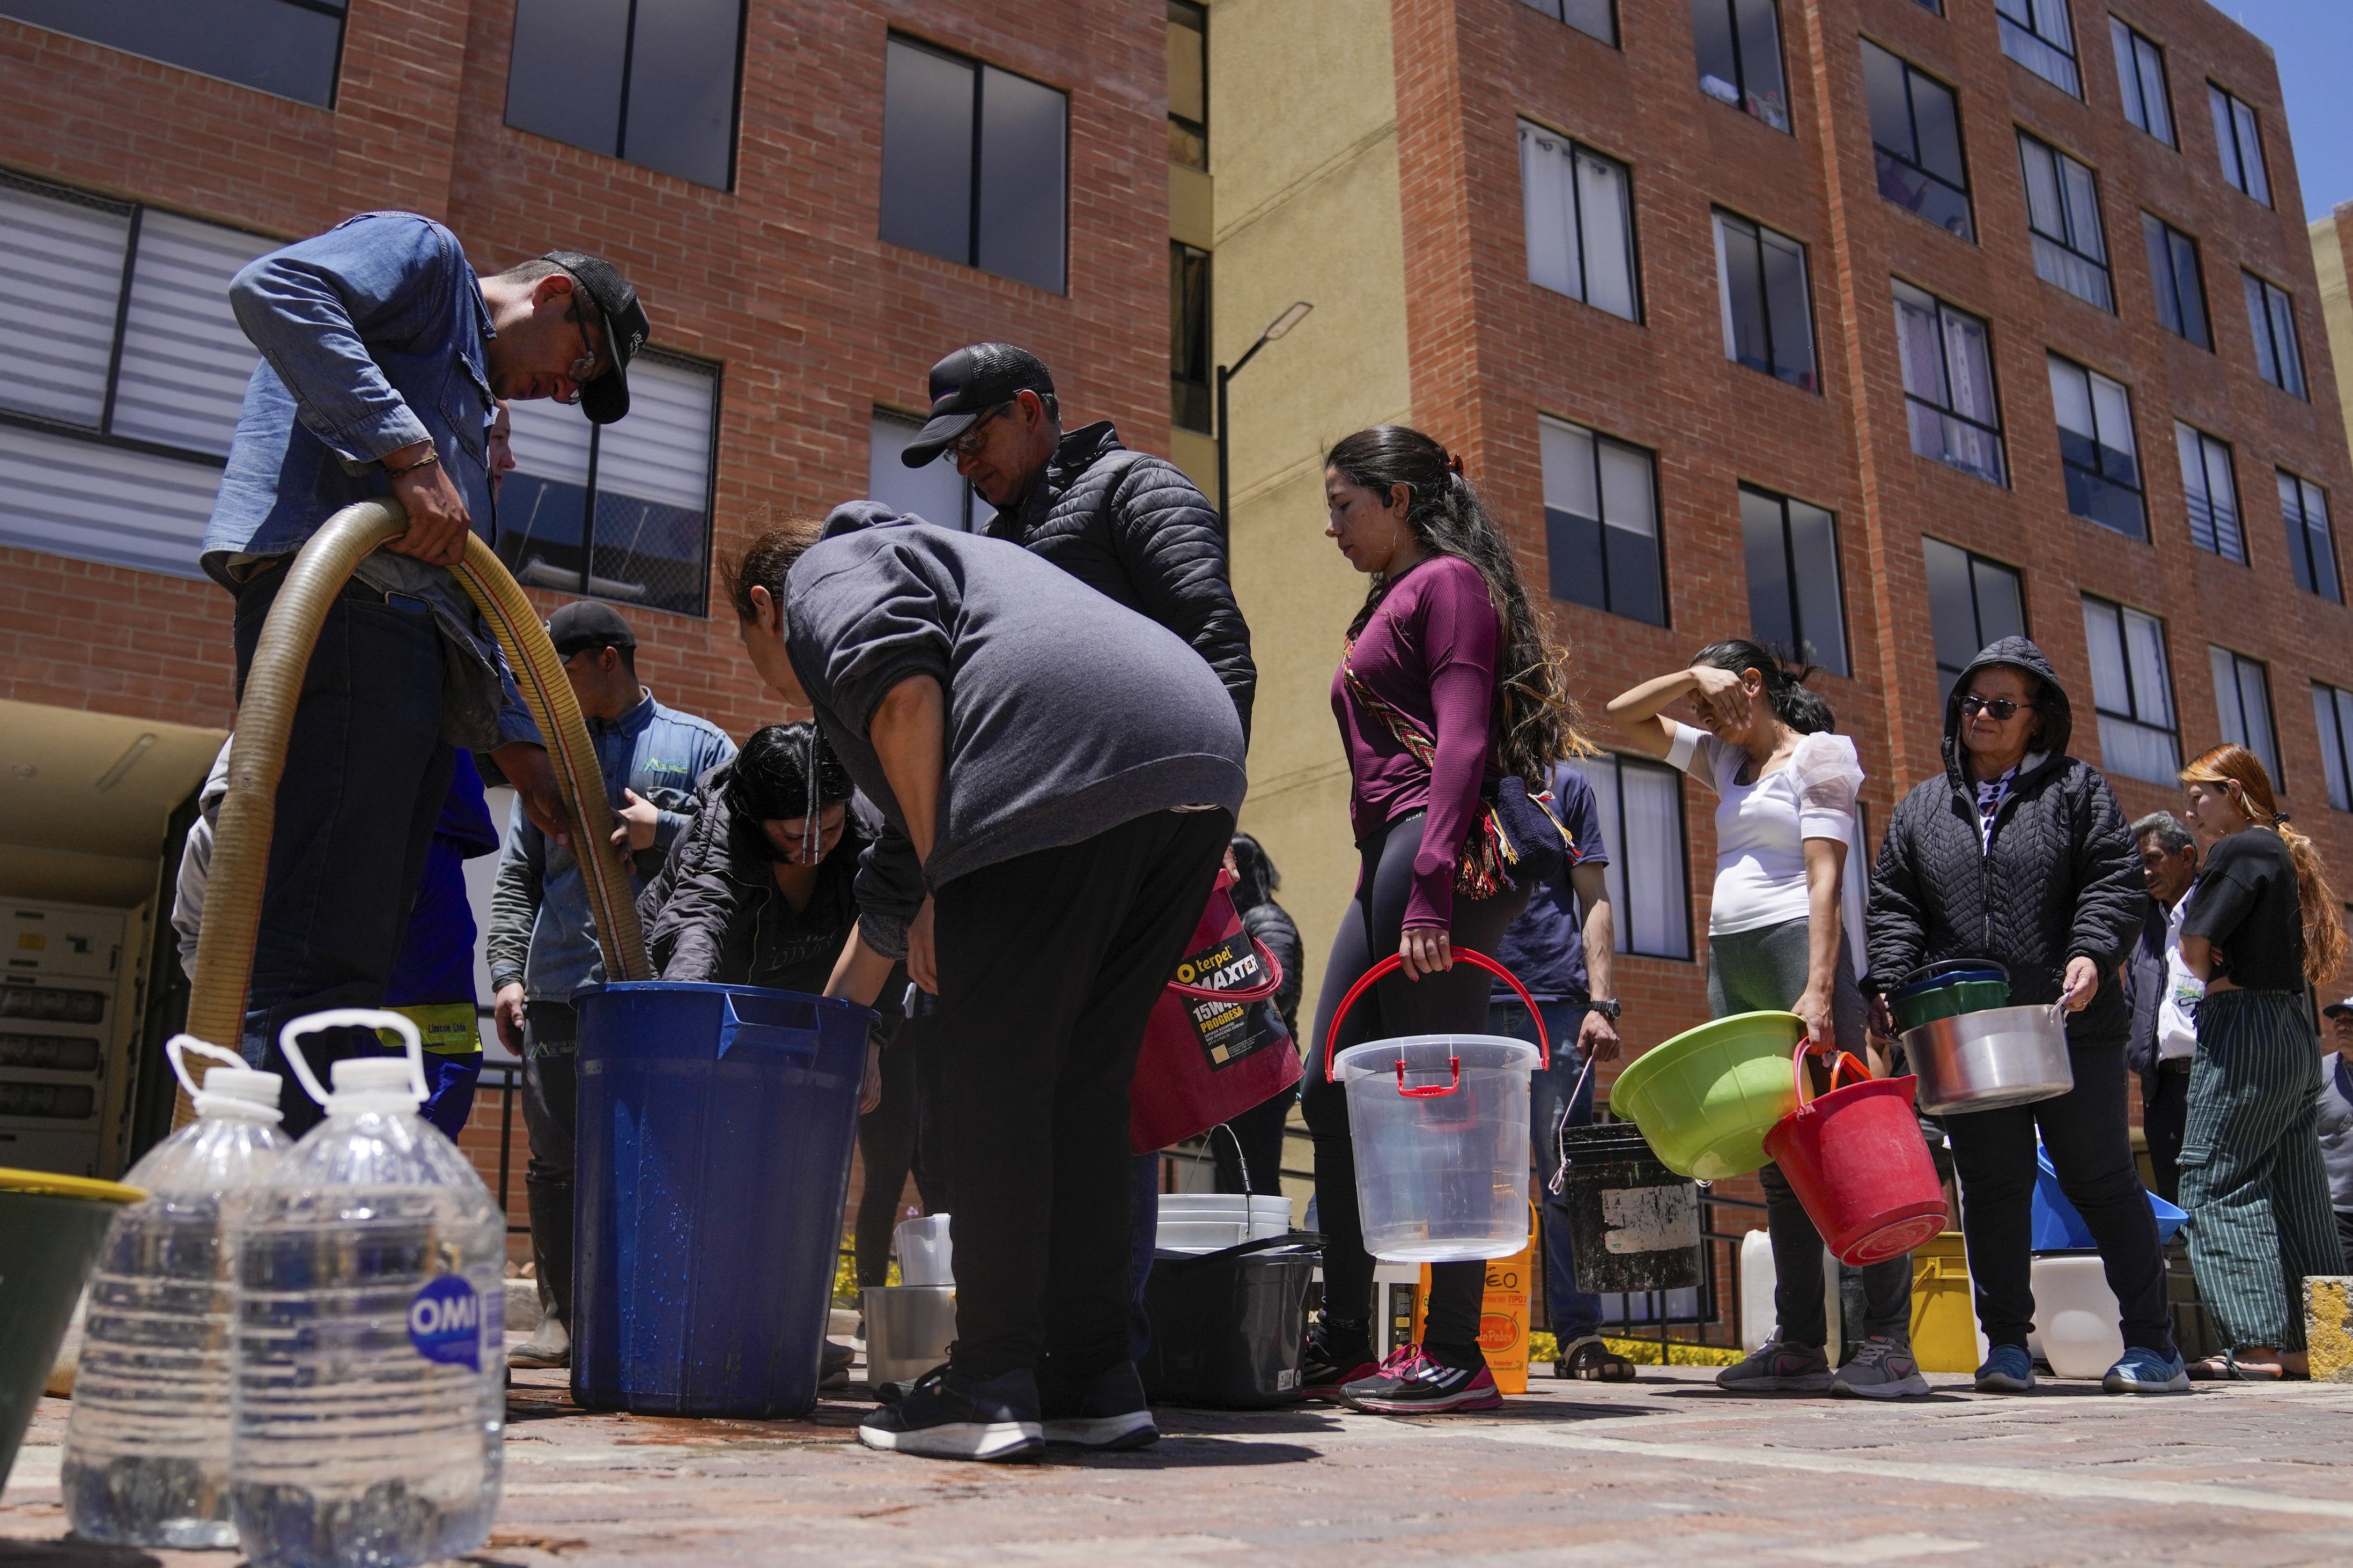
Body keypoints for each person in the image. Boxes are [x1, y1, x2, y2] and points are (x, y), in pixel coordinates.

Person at [724, 507, 1245, 1461]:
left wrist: (947, 871)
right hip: (1195, 755)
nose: (773, 668)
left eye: (754, 642)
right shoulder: (966, 572)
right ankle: (1093, 1378)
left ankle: (990, 1378)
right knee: (1084, 1088)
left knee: (990, 1084)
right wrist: (841, 1032)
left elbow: (905, 698)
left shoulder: (831, 570)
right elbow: (892, 880)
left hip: (1065, 765)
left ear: (763, 604)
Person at [201, 217, 644, 1112]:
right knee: (318, 939)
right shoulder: (428, 254)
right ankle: (265, 1199)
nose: (565, 389)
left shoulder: (473, 407)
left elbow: (462, 593)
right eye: (582, 361)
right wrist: (405, 452)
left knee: (360, 948)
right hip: (347, 609)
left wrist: (520, 744)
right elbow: (275, 289)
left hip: (404, 637)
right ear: (552, 293)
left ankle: (302, 1183)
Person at [901, 341, 1257, 1350]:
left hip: (1140, 834)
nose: (966, 468)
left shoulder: (1134, 489)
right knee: (1053, 1088)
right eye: (951, 456)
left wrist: (1203, 835)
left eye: (975, 442)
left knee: (1103, 1087)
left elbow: (1217, 649)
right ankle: (1069, 1352)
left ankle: (1101, 1349)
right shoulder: (1003, 538)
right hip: (1038, 844)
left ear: (1031, 408)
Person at [1299, 427, 1583, 1415]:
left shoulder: (1448, 585)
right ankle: (1343, 1338)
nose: (1330, 525)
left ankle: (1454, 1349)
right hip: (1392, 852)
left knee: (1439, 1099)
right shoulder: (1389, 597)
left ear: (1402, 497)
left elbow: (1462, 741)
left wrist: (1426, 882)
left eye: (1345, 504)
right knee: (1324, 1085)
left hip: (1439, 852)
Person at [1867, 638, 2182, 1394]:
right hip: (1965, 1030)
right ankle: (2006, 1345)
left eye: (2000, 705)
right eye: (1971, 700)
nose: (1980, 714)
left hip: (2070, 1020)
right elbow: (1894, 907)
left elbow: (2110, 881)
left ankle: (2152, 1346)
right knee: (1991, 1183)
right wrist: (1886, 979)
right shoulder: (1920, 806)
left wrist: (2092, 952)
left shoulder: (2077, 790)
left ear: (2034, 721)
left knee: (2098, 1176)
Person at [1609, 640, 1919, 1399]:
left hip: (1794, 956)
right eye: (1698, 710)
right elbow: (1621, 717)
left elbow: (1825, 881)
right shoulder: (1722, 761)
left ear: (1753, 686)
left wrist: (1816, 990)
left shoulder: (1821, 757)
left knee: (1844, 1144)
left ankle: (1889, 1346)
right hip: (1734, 960)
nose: (1702, 719)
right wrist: (1688, 676)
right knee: (1777, 1153)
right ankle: (1799, 1344)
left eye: (1714, 703)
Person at [488, 600, 735, 1371]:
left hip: (657, 993)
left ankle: (653, 1311)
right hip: (560, 988)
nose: (546, 692)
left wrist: (663, 829)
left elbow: (744, 850)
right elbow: (517, 877)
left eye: (557, 670)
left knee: (663, 1158)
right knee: (555, 1155)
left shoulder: (698, 747)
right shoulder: (550, 758)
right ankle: (560, 1319)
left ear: (607, 659)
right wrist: (504, 974)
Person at [169, 746, 498, 1141]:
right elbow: (195, 940)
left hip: (399, 1103)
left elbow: (438, 1028)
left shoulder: (408, 848)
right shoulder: (216, 835)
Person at [2174, 744, 2350, 1380]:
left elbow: (2195, 945)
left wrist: (2201, 956)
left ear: (2238, 791)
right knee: (2299, 1190)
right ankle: (2325, 1344)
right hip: (2292, 1032)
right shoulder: (2279, 850)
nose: (2190, 805)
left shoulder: (2239, 848)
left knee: (2215, 1178)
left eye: (2202, 791)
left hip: (2243, 1026)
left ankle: (2252, 1347)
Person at [1485, 758, 1628, 1382]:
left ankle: (1579, 1336)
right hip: (1473, 999)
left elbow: (1593, 895)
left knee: (1566, 1179)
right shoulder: (1454, 770)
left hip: (1558, 1007)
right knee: (1476, 1184)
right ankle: (1468, 1336)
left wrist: (1601, 1003)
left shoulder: (1565, 785)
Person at [1209, 833, 1304, 1197]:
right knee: (1235, 1180)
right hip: (1235, 1070)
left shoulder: (1265, 917)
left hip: (1265, 1069)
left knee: (1257, 1179)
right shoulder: (1232, 922)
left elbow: (1279, 992)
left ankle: (1269, 1249)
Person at [2122, 812, 2202, 1204]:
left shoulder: (2217, 909)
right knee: (2176, 1199)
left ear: (2185, 857)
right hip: (2161, 1088)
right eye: (2138, 863)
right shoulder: (2144, 926)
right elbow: (2130, 1006)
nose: (2144, 871)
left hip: (2213, 1077)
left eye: (2152, 859)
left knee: (2218, 1196)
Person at [2319, 1000, 2353, 1274]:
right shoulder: (2318, 1073)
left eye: (2350, 1019)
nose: (2342, 1024)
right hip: (2337, 1212)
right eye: (2338, 1019)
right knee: (2342, 1293)